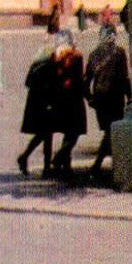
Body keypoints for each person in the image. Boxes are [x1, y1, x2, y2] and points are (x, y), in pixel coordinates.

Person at [84, 24, 132, 175]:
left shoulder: (93, 54)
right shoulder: (119, 53)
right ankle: (101, 165)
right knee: (112, 131)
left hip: (99, 98)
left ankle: (110, 164)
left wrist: (89, 98)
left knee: (109, 130)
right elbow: (124, 77)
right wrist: (129, 96)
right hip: (114, 97)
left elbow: (86, 80)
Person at [17, 41, 58, 177]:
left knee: (44, 134)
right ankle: (44, 166)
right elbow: (53, 85)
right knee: (46, 134)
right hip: (46, 104)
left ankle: (33, 161)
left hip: (34, 103)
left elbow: (27, 83)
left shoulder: (35, 65)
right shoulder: (50, 66)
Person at [48, 36, 87, 178]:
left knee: (67, 131)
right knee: (74, 132)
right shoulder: (77, 56)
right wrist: (86, 95)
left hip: (60, 98)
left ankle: (66, 164)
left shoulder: (55, 57)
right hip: (74, 98)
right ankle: (60, 157)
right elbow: (79, 77)